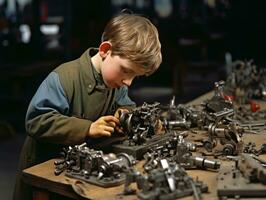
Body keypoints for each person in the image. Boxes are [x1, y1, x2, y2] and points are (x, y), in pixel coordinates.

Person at [13, 13, 162, 200]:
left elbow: (126, 104)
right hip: (44, 169)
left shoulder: (116, 83)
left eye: (135, 76)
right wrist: (88, 128)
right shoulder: (64, 78)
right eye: (126, 70)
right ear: (105, 50)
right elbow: (36, 121)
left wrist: (126, 114)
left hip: (80, 169)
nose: (128, 82)